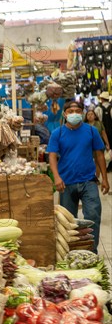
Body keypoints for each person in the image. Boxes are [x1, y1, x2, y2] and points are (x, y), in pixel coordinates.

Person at [47, 101, 109, 253]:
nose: (74, 113)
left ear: (82, 113)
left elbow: (99, 155)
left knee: (93, 215)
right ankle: (71, 252)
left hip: (89, 181)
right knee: (68, 222)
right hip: (66, 183)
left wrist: (105, 179)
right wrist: (56, 177)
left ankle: (91, 251)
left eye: (77, 111)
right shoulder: (58, 133)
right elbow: (52, 156)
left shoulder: (91, 130)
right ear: (65, 114)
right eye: (71, 111)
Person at [94, 91, 112, 172]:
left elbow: (97, 120)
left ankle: (104, 167)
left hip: (102, 132)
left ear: (101, 99)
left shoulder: (98, 109)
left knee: (103, 150)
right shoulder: (111, 108)